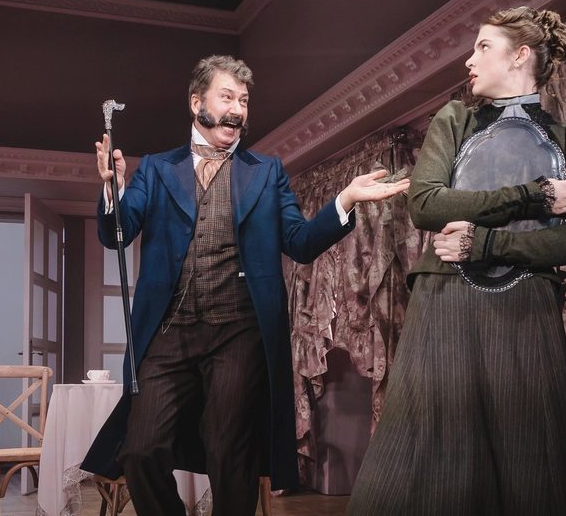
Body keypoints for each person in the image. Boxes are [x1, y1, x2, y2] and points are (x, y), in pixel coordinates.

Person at [80, 55, 409, 516]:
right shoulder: (155, 169)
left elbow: (299, 243)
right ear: (196, 102)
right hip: (167, 334)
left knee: (229, 451)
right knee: (140, 450)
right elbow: (117, 234)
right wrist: (113, 190)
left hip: (238, 331)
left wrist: (346, 199)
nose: (238, 110)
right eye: (227, 97)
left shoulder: (266, 171)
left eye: (244, 101)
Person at [346, 7, 566, 515]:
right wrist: (533, 196)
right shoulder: (455, 119)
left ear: (520, 56)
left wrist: (484, 244)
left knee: (530, 456)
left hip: (526, 311)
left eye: (483, 46)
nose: (469, 59)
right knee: (428, 455)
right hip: (444, 301)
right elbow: (426, 204)